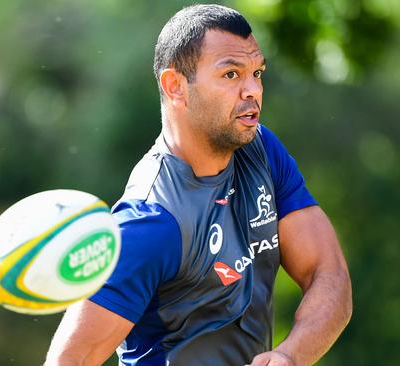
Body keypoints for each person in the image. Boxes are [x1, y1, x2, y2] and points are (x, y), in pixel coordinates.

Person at [45, 4, 352, 365]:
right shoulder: (150, 223)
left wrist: (289, 355)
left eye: (257, 72)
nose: (252, 89)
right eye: (231, 75)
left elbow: (328, 274)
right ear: (175, 86)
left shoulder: (262, 151)